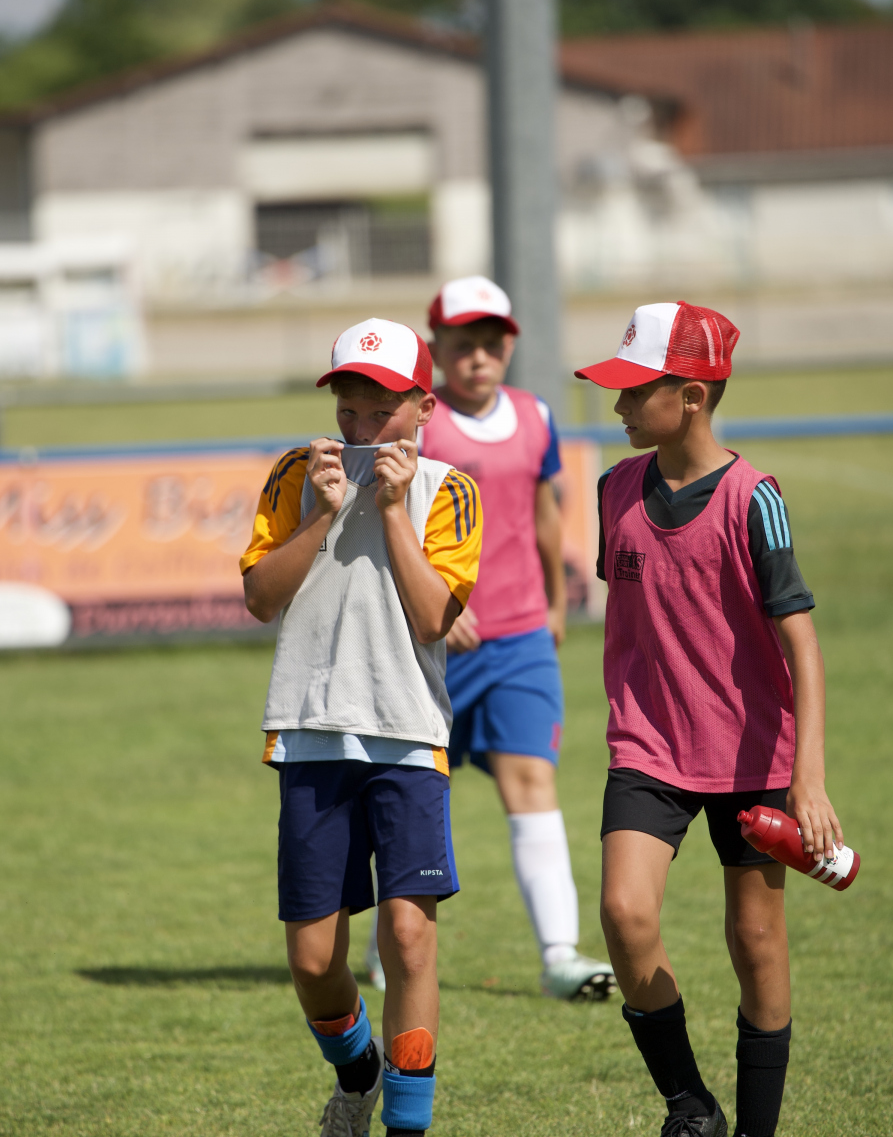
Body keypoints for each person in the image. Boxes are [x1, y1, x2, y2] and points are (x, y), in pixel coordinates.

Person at [574, 302, 845, 1137]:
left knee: (756, 940)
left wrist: (807, 780)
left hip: (751, 755)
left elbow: (802, 645)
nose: (618, 406)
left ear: (691, 396)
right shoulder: (614, 489)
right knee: (624, 915)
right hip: (647, 745)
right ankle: (691, 1106)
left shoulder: (753, 498)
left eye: (635, 391)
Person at [241, 318, 483, 1137]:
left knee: (409, 940)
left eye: (382, 412)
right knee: (314, 961)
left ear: (424, 408)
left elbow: (434, 617)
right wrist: (322, 514)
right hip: (310, 731)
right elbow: (260, 598)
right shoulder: (295, 474)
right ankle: (358, 1072)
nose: (362, 428)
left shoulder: (450, 489)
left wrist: (392, 510)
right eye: (349, 409)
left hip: (408, 735)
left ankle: (408, 1126)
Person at [380, 273, 617, 1003]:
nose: (478, 357)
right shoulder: (418, 426)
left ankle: (559, 957)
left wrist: (555, 599)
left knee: (532, 782)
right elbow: (388, 525)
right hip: (431, 646)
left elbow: (543, 512)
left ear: (509, 346)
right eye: (462, 344)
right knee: (413, 797)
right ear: (436, 348)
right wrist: (435, 610)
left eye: (491, 343)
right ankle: (390, 950)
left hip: (520, 641)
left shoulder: (535, 415)